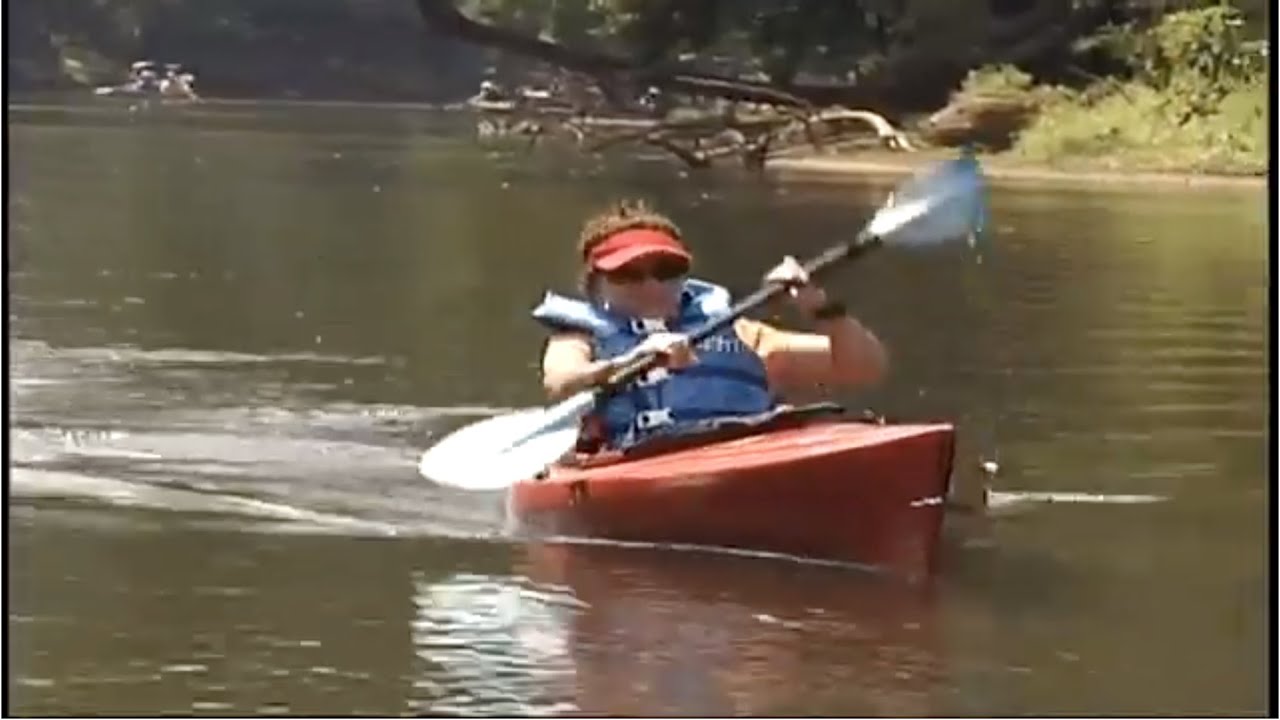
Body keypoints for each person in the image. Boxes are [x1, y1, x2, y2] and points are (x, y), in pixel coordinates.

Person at [534, 199, 887, 452]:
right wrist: (629, 360)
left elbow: (863, 369)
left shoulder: (741, 334)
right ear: (595, 285)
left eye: (666, 271)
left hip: (750, 449)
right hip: (637, 460)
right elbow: (561, 382)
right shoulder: (580, 337)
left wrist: (822, 309)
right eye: (628, 274)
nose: (652, 285)